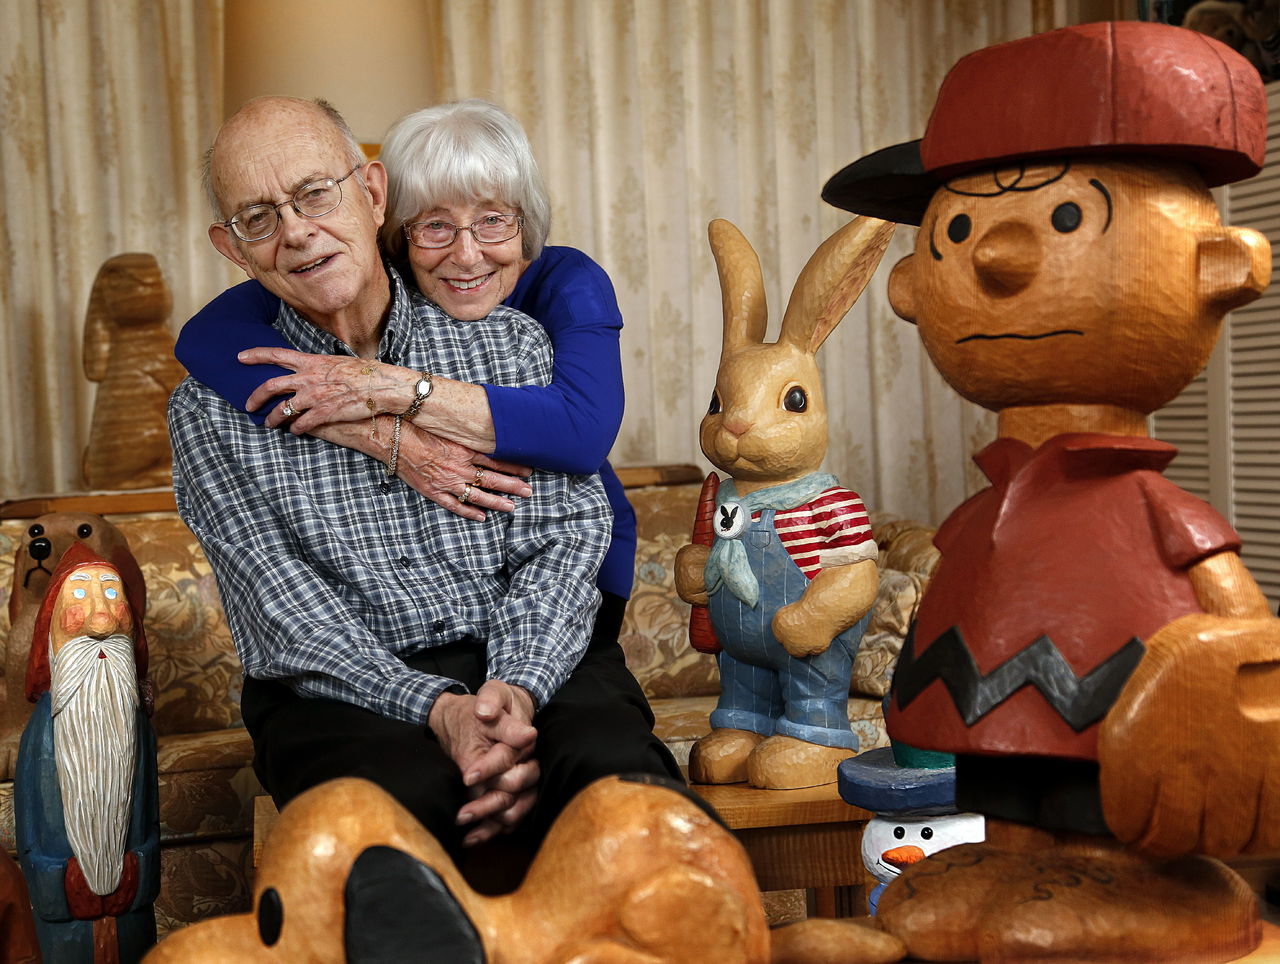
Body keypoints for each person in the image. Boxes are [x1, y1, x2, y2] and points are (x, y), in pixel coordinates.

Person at [821, 20, 1278, 961]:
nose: (996, 258)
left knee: (1099, 808)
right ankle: (1013, 858)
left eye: (1068, 217)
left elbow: (1230, 621)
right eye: (960, 229)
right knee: (1008, 802)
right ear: (911, 288)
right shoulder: (990, 506)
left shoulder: (1153, 512)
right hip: (1002, 736)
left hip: (1124, 747)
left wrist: (1238, 672)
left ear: (1218, 270)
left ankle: (1142, 887)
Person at [170, 95, 679, 867]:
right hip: (342, 694)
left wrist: (518, 687)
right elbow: (284, 612)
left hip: (535, 654)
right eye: (259, 217)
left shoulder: (511, 343)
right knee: (391, 838)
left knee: (628, 801)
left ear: (372, 194)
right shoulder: (210, 408)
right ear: (233, 248)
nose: (298, 231)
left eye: (315, 194)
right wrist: (437, 710)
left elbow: (566, 539)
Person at [174, 99, 637, 646]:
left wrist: (382, 388)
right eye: (435, 226)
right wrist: (382, 437)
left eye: (493, 221)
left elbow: (581, 435)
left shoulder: (568, 283)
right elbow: (203, 339)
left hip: (581, 569)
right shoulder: (370, 279)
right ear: (393, 226)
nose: (467, 257)